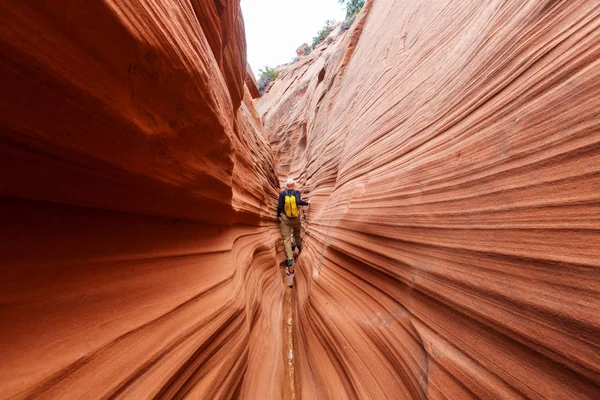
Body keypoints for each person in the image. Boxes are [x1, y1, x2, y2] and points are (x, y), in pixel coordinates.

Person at [277, 178, 310, 267]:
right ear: (294, 185)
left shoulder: (282, 194)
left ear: (286, 186)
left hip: (285, 218)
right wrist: (307, 203)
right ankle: (299, 246)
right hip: (295, 218)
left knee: (287, 238)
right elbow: (298, 202)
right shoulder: (297, 193)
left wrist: (278, 215)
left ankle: (290, 260)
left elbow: (280, 206)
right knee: (297, 233)